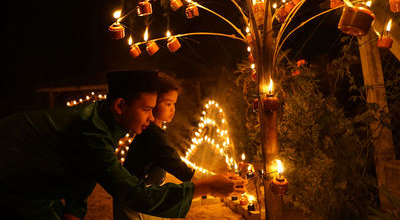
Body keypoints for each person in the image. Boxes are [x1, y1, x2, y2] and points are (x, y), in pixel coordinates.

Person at [0, 70, 246, 220]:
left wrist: (74, 210)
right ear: (120, 106)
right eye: (147, 110)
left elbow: (84, 169)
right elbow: (132, 192)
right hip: (15, 182)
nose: (151, 118)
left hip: (33, 183)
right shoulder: (93, 130)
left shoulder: (106, 122)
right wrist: (208, 187)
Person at [113, 74, 195, 220]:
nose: (173, 109)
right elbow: (173, 162)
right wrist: (206, 181)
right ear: (153, 102)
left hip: (143, 197)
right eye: (168, 104)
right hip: (136, 200)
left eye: (174, 104)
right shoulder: (152, 134)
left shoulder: (155, 131)